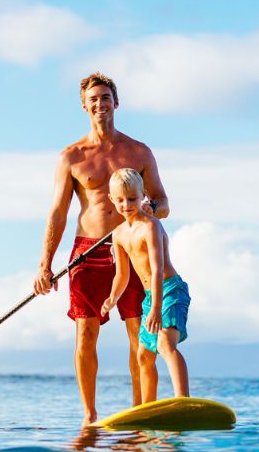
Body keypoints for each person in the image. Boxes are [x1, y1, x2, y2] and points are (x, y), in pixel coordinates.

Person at [33, 73, 170, 426]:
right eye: (93, 99)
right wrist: (44, 265)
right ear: (84, 105)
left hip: (132, 247)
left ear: (116, 103)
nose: (100, 104)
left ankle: (141, 410)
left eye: (105, 97)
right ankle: (90, 416)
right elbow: (58, 213)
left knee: (139, 332)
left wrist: (147, 210)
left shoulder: (139, 152)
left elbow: (163, 202)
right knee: (86, 333)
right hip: (87, 252)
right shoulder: (71, 157)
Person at [101, 168, 190, 403]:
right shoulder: (118, 234)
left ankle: (182, 400)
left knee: (164, 344)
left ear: (143, 196)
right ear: (111, 199)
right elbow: (122, 275)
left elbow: (158, 269)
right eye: (120, 200)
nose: (126, 204)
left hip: (169, 290)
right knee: (143, 356)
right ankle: (148, 407)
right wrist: (112, 298)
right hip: (151, 296)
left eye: (132, 198)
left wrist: (156, 308)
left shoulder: (150, 226)